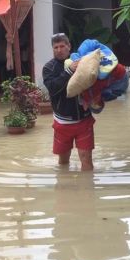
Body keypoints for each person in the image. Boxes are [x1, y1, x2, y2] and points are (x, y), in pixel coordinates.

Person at [42, 33, 95, 171]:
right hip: (62, 123)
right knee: (63, 162)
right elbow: (53, 89)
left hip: (84, 120)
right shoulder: (48, 68)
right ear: (52, 49)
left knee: (86, 160)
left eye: (62, 46)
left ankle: (88, 191)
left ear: (69, 46)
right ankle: (64, 190)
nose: (59, 50)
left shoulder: (83, 62)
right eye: (55, 47)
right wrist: (69, 71)